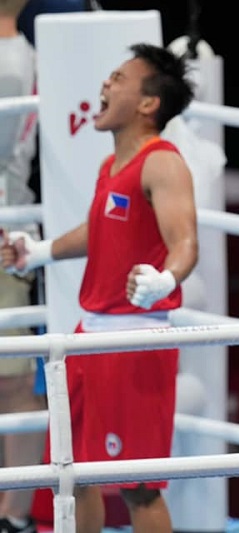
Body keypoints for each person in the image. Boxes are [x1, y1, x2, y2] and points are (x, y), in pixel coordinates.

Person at [1, 42, 198, 533]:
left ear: (149, 104)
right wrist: (40, 251)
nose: (104, 85)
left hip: (135, 342)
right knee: (74, 476)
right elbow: (99, 231)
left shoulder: (163, 163)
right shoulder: (109, 168)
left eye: (117, 78)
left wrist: (166, 279)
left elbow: (186, 242)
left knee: (138, 485)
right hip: (89, 334)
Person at [0, 1, 45, 531]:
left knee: (11, 377)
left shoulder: (11, 59)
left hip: (6, 226)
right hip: (10, 219)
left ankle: (13, 514)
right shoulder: (18, 53)